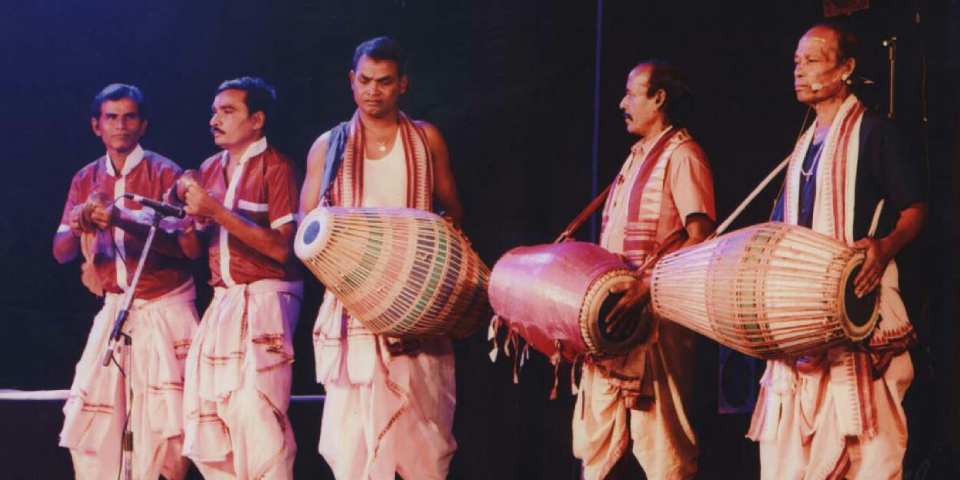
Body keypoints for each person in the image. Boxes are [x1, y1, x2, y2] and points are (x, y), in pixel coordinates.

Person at [747, 22, 926, 480]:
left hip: (860, 309)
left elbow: (915, 208)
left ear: (846, 68)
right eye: (796, 62)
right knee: (790, 454)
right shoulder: (802, 147)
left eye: (812, 60)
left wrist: (883, 247)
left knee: (870, 451)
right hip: (803, 318)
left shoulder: (875, 132)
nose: (798, 71)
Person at [300, 36, 464, 480]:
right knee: (352, 446)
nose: (374, 91)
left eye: (385, 82)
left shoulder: (426, 139)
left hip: (416, 309)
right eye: (366, 81)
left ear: (403, 85)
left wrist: (428, 256)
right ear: (352, 82)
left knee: (421, 440)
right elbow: (306, 231)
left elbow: (454, 211)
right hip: (352, 308)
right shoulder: (328, 146)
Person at [572, 60, 716, 480]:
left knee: (663, 446)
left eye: (632, 94)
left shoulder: (684, 155)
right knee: (594, 446)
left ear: (659, 99)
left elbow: (700, 238)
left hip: (657, 325)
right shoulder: (635, 157)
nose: (622, 103)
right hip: (614, 326)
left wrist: (647, 288)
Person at [54, 83, 197, 480]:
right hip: (116, 310)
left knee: (164, 437)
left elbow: (187, 248)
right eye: (112, 118)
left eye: (129, 117)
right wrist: (81, 220)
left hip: (165, 308)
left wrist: (121, 220)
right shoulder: (85, 178)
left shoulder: (166, 173)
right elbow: (61, 249)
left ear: (143, 124)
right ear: (96, 126)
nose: (121, 125)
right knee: (90, 428)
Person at [178, 77, 303, 479]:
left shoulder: (278, 167)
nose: (215, 119)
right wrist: (189, 221)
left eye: (228, 111)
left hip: (267, 296)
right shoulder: (210, 169)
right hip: (224, 300)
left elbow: (284, 248)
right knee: (206, 411)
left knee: (255, 409)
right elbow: (195, 252)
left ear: (257, 120)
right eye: (215, 111)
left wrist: (215, 211)